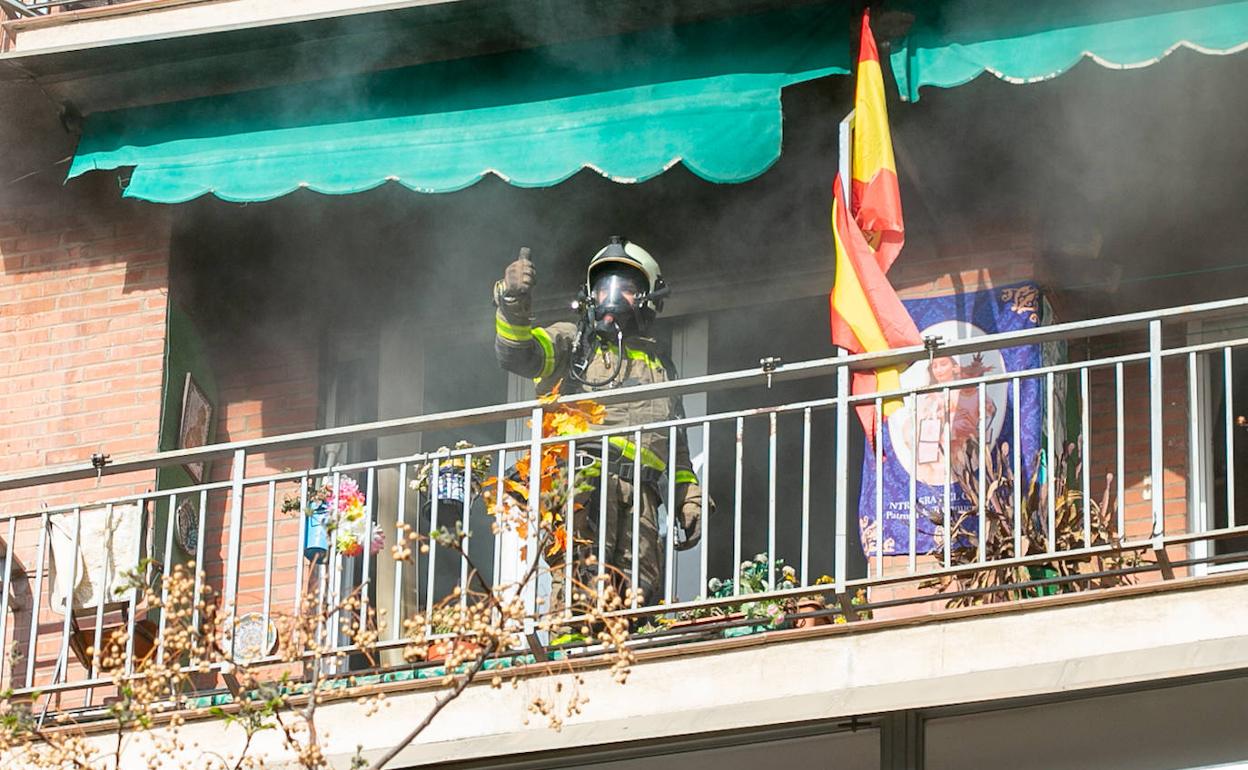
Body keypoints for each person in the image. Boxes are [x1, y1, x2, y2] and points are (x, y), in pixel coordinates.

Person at [492, 237, 709, 608]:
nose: (611, 297)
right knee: (579, 586)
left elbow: (678, 449)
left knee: (636, 595)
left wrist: (690, 501)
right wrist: (512, 299)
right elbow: (518, 355)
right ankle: (572, 660)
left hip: (641, 497)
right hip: (583, 485)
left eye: (625, 289)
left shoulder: (662, 369)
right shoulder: (573, 342)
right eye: (604, 287)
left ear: (648, 298)